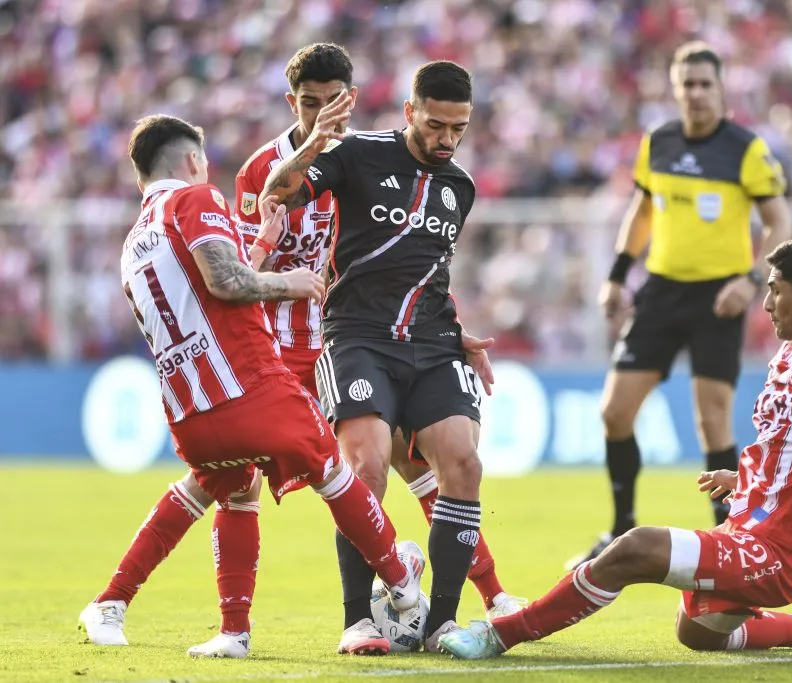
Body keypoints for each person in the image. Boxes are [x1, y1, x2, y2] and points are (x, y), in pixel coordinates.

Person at [77, 45, 519, 655]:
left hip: (356, 333)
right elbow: (238, 262)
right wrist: (274, 248)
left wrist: (445, 326)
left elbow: (411, 258)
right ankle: (201, 615)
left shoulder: (369, 157)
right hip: (281, 344)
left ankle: (489, 594)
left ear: (352, 98)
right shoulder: (265, 169)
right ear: (293, 102)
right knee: (230, 482)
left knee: (413, 462)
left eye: (332, 102)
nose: (320, 114)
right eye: (309, 103)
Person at [439, 233, 792, 659]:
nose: (768, 305)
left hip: (781, 555)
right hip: (751, 525)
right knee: (699, 632)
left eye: (775, 292)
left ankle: (499, 634)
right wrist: (747, 480)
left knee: (634, 548)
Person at [79, 114, 423, 659]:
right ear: (192, 161)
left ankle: (213, 626)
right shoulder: (194, 199)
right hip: (249, 385)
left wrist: (262, 243)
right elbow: (225, 281)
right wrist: (289, 281)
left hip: (191, 411)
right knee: (334, 472)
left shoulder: (136, 239)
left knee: (233, 491)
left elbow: (206, 289)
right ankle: (403, 584)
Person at [236, 45, 523, 641]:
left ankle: (443, 622)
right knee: (365, 466)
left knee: (463, 464)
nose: (447, 139)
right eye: (435, 124)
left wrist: (460, 332)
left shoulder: (460, 188)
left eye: (459, 128)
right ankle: (358, 621)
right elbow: (278, 192)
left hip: (432, 340)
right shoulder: (357, 153)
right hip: (359, 337)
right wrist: (315, 140)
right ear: (409, 110)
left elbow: (430, 271)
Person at [568, 41, 792, 569]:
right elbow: (642, 211)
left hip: (719, 296)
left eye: (704, 84)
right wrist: (618, 276)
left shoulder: (745, 148)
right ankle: (621, 528)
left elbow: (780, 222)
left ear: (721, 90)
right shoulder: (659, 142)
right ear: (675, 90)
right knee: (614, 412)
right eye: (686, 85)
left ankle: (730, 545)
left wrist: (752, 277)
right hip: (662, 293)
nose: (695, 94)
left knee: (713, 424)